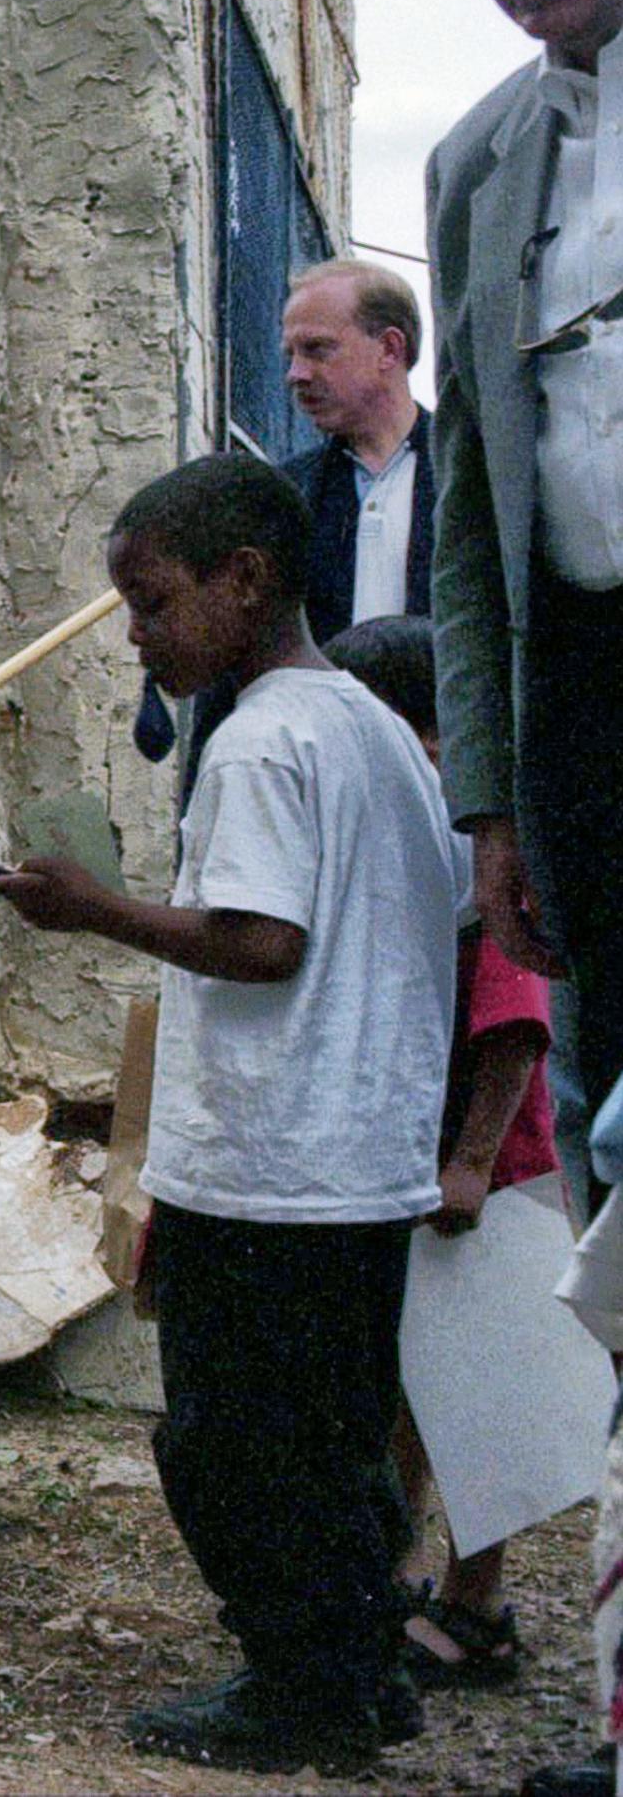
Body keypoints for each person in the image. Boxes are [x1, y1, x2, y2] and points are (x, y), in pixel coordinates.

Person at [0, 454, 464, 1771]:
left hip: (269, 1166)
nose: (137, 636)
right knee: (333, 1441)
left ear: (243, 580)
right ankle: (359, 1670)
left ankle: (300, 1687)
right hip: (358, 1164)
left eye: (151, 603)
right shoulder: (368, 725)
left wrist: (89, 906)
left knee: (233, 1447)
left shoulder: (261, 738)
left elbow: (263, 943)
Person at [422, 0, 623, 1213]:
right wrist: (493, 808)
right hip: (586, 718)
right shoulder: (478, 165)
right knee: (608, 1121)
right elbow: (473, 521)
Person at [322, 616, 557, 1693]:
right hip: (416, 1169)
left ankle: (478, 1604)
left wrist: (469, 1161)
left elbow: (513, 1022)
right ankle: (398, 1573)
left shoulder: (480, 857)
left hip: (493, 1175)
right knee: (414, 1385)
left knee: (484, 1400)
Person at [281, 261, 435, 639]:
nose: (295, 374)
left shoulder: (473, 477)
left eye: (317, 349)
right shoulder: (287, 493)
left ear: (389, 348)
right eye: (292, 354)